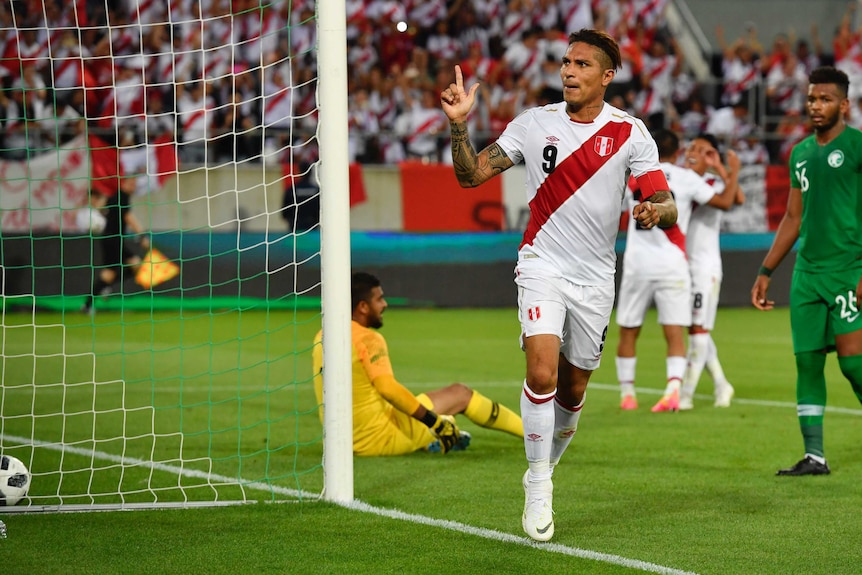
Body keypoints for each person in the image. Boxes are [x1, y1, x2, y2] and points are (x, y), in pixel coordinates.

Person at [440, 28, 677, 541]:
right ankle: (540, 483)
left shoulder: (631, 133)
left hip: (595, 279)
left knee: (572, 391)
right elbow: (470, 176)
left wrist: (655, 209)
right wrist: (459, 128)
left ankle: (540, 464)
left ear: (607, 76)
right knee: (542, 371)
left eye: (582, 65)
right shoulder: (533, 123)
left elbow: (666, 199)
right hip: (541, 264)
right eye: (566, 62)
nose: (568, 71)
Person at [751, 66, 862, 476]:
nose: (816, 106)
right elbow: (792, 218)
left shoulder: (857, 147)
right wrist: (766, 269)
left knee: (853, 364)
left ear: (844, 104)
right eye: (812, 99)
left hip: (849, 271)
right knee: (808, 363)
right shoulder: (799, 153)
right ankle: (814, 455)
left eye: (825, 99)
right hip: (807, 276)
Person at [311, 272, 523, 457]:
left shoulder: (322, 336)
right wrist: (434, 422)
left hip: (339, 443)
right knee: (460, 395)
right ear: (363, 307)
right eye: (379, 299)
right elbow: (388, 389)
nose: (384, 304)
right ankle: (532, 434)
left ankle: (433, 439)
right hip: (378, 438)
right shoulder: (368, 339)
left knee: (432, 410)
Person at [616, 129, 739, 412]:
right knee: (676, 332)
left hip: (636, 263)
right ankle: (675, 389)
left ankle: (628, 394)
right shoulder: (687, 179)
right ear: (678, 151)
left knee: (628, 330)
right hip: (673, 264)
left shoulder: (634, 179)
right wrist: (730, 171)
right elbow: (725, 202)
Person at [676, 133, 743, 410]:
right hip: (683, 264)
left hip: (705, 267)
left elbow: (737, 198)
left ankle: (686, 395)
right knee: (695, 328)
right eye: (692, 147)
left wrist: (724, 169)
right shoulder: (681, 180)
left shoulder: (713, 184)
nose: (693, 152)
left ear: (712, 156)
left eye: (703, 150)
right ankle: (721, 384)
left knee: (698, 329)